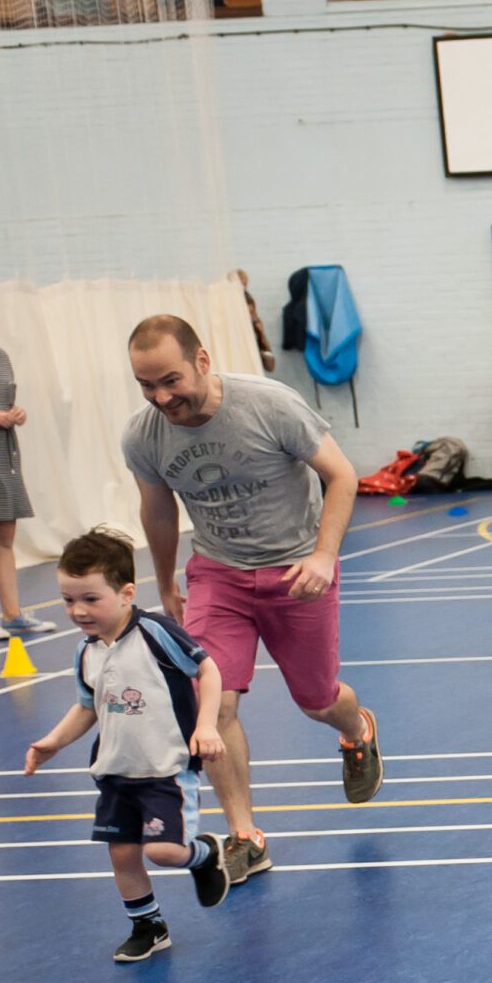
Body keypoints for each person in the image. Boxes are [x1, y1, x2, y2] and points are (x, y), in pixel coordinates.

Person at [125, 314, 382, 885]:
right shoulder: (143, 435)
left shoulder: (270, 404)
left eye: (170, 380)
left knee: (317, 699)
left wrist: (322, 556)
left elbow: (342, 476)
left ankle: (356, 729)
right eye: (146, 385)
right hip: (218, 574)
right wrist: (165, 579)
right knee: (214, 704)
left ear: (202, 360)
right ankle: (246, 836)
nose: (161, 397)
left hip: (297, 569)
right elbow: (159, 508)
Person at [22, 529, 231, 962]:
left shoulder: (156, 632)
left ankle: (206, 854)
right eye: (68, 600)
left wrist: (207, 726)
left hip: (166, 766)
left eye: (89, 599)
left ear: (126, 592)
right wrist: (52, 743)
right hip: (116, 771)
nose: (77, 611)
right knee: (123, 856)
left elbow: (207, 671)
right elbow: (87, 707)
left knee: (164, 851)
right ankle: (148, 926)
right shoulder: (86, 651)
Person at [0, 288, 59, 643]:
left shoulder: (1, 356)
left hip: (4, 453)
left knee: (5, 536)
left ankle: (13, 614)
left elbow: (4, 401)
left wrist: (15, 413)